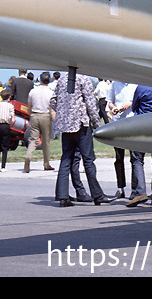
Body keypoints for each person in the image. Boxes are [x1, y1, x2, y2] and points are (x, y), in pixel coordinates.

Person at [51, 72, 108, 207]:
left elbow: (53, 100)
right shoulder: (84, 78)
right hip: (81, 124)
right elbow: (90, 103)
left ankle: (63, 196)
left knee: (66, 159)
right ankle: (97, 195)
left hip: (65, 125)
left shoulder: (62, 79)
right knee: (88, 160)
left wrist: (64, 111)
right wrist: (97, 124)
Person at [105, 80, 136, 200]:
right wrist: (114, 108)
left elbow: (139, 100)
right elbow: (110, 102)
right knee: (119, 157)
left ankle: (135, 188)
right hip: (118, 121)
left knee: (135, 158)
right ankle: (120, 187)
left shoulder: (135, 84)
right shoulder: (114, 84)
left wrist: (130, 104)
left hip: (131, 120)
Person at [23, 71, 54, 173]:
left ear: (40, 80)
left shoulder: (33, 91)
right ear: (48, 81)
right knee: (46, 141)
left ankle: (28, 157)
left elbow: (29, 106)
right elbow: (52, 107)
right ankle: (46, 163)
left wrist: (30, 115)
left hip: (34, 115)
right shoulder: (50, 92)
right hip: (45, 115)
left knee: (33, 139)